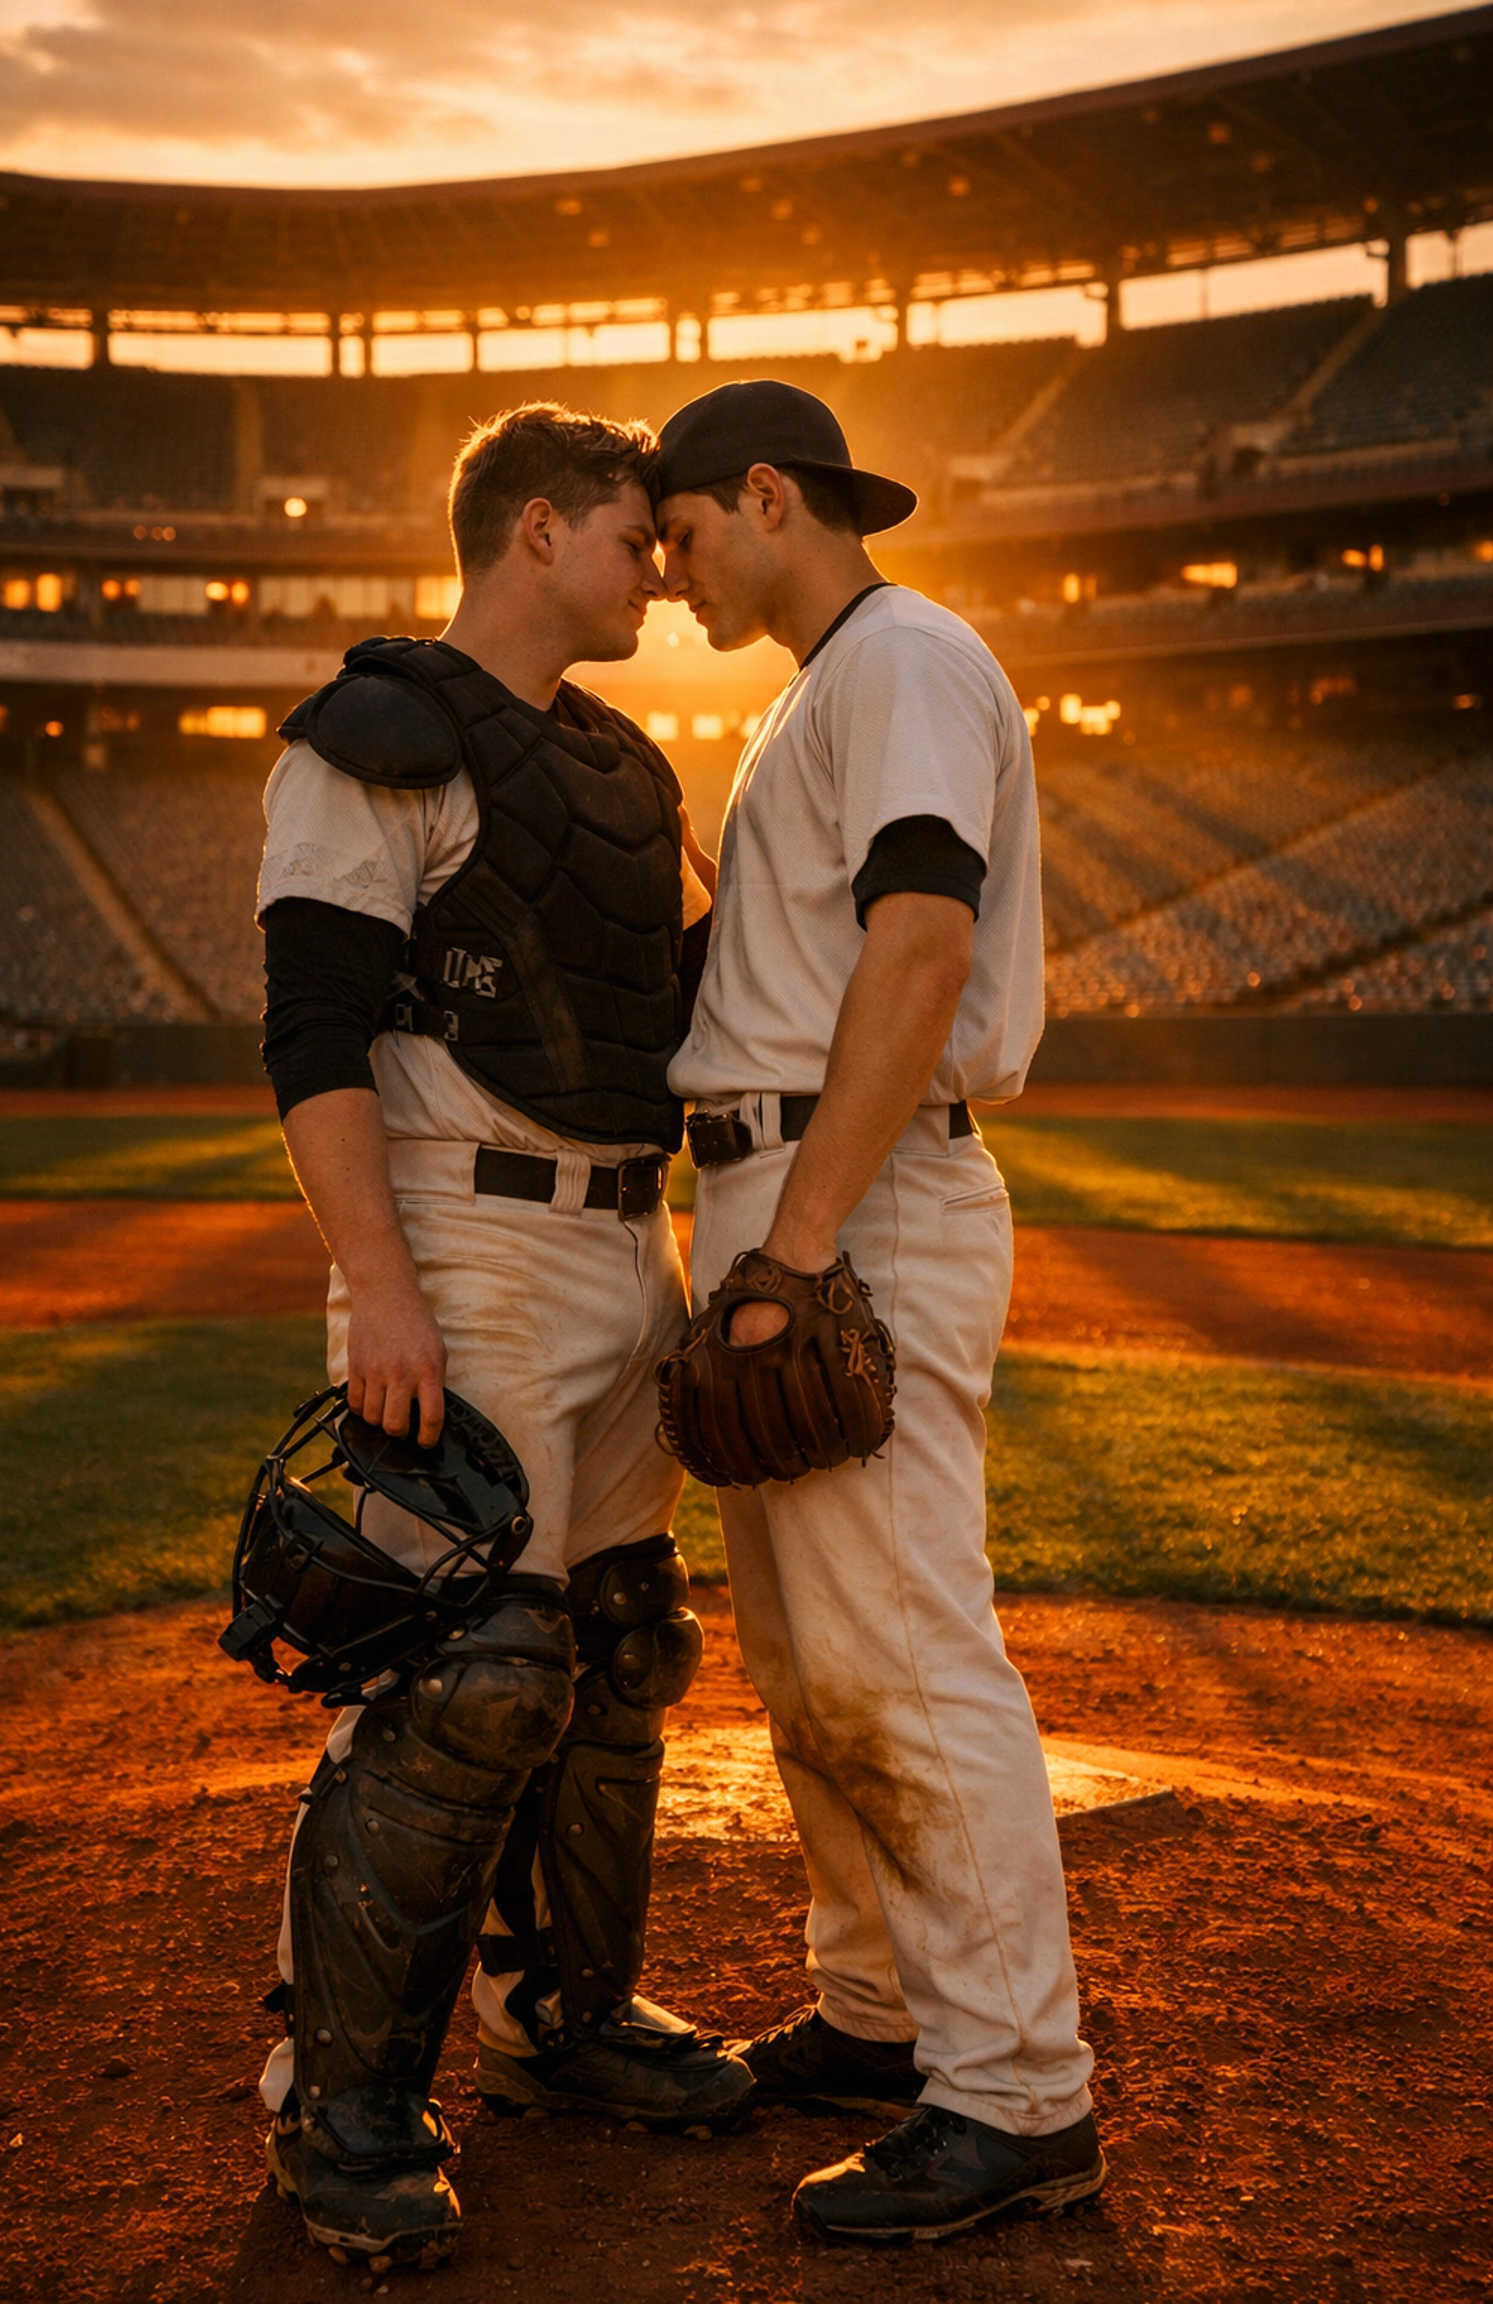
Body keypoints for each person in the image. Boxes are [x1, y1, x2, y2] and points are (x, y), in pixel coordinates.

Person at [252, 401, 751, 2269]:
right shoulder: (377, 729)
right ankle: (344, 2100)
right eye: (637, 538)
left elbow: (682, 993)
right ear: (538, 530)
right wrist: (378, 1285)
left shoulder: (624, 764)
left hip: (632, 1242)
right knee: (469, 1670)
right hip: (464, 1241)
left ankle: (565, 2017)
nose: (659, 569)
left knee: (619, 1643)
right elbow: (312, 1032)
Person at [651, 379, 1104, 2245]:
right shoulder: (821, 689)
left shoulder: (904, 654)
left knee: (905, 1646)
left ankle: (1017, 2096)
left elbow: (922, 943)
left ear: (769, 496)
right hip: (790, 1183)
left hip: (861, 1194)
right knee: (807, 1656)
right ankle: (880, 2013)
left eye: (682, 535)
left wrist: (799, 1248)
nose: (670, 577)